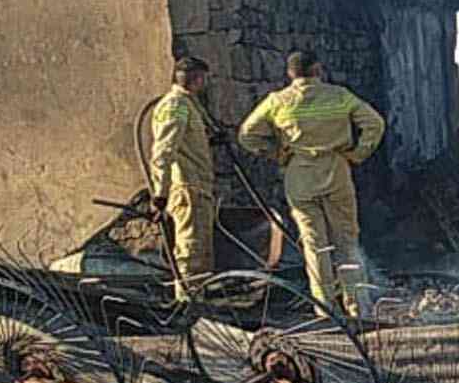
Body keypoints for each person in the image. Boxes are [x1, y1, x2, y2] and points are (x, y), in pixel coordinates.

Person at [239, 49, 387, 318]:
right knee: (346, 240)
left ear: (290, 74)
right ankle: (358, 307)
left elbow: (247, 135)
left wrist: (277, 153)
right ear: (318, 69)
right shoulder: (339, 96)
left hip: (299, 175)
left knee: (314, 244)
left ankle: (326, 309)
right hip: (336, 171)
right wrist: (358, 153)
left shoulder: (277, 101)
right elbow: (374, 123)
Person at [147, 55, 216, 303]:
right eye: (203, 79)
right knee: (190, 250)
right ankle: (187, 305)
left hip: (198, 186)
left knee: (201, 252)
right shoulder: (175, 105)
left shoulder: (188, 104)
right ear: (197, 79)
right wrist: (160, 194)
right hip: (187, 187)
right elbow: (163, 152)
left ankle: (199, 303)